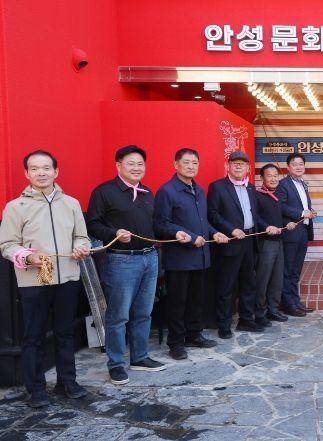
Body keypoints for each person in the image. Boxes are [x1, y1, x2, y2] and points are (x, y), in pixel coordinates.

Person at [0, 150, 90, 408]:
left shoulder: (71, 204)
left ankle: (67, 382)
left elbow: (81, 236)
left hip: (68, 277)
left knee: (65, 332)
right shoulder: (16, 207)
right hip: (33, 280)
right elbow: (7, 245)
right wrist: (28, 257)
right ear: (27, 173)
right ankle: (36, 389)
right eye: (35, 168)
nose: (41, 173)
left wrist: (80, 247)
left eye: (46, 168)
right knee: (33, 336)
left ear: (56, 171)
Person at [86, 145, 166, 386]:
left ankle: (140, 357)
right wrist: (114, 233)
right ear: (118, 165)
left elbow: (155, 224)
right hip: (121, 261)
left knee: (143, 312)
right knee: (118, 316)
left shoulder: (147, 192)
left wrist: (177, 233)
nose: (136, 168)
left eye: (140, 164)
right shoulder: (104, 192)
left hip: (150, 258)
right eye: (131, 163)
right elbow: (92, 224)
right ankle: (116, 365)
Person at [153, 148, 229, 360]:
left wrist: (215, 233)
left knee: (196, 300)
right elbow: (160, 224)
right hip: (179, 258)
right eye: (186, 162)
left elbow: (204, 222)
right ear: (176, 165)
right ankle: (176, 343)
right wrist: (190, 235)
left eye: (195, 163)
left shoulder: (199, 190)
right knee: (178, 302)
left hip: (200, 256)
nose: (191, 166)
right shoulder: (167, 191)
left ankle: (194, 334)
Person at [208, 151, 265, 338]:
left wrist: (267, 227)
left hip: (250, 241)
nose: (238, 166)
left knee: (249, 283)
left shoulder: (251, 188)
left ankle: (246, 320)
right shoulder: (218, 187)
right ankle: (224, 325)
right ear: (228, 166)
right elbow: (213, 215)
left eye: (242, 163)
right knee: (226, 285)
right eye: (234, 163)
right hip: (230, 242)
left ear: (248, 167)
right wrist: (231, 229)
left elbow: (254, 216)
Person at [276, 153, 317, 317]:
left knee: (296, 270)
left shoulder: (303, 184)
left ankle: (295, 301)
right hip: (291, 232)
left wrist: (309, 212)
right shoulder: (283, 184)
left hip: (303, 232)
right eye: (295, 164)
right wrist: (301, 213)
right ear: (288, 167)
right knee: (287, 270)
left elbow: (302, 206)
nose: (299, 167)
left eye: (301, 164)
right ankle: (288, 304)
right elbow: (281, 206)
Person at [254, 164, 296, 323]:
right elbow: (255, 218)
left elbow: (280, 216)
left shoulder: (277, 195)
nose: (273, 179)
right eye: (269, 175)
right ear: (262, 178)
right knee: (263, 279)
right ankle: (260, 312)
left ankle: (273, 309)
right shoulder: (257, 195)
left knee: (277, 279)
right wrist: (266, 227)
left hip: (279, 241)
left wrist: (288, 223)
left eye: (275, 175)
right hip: (266, 243)